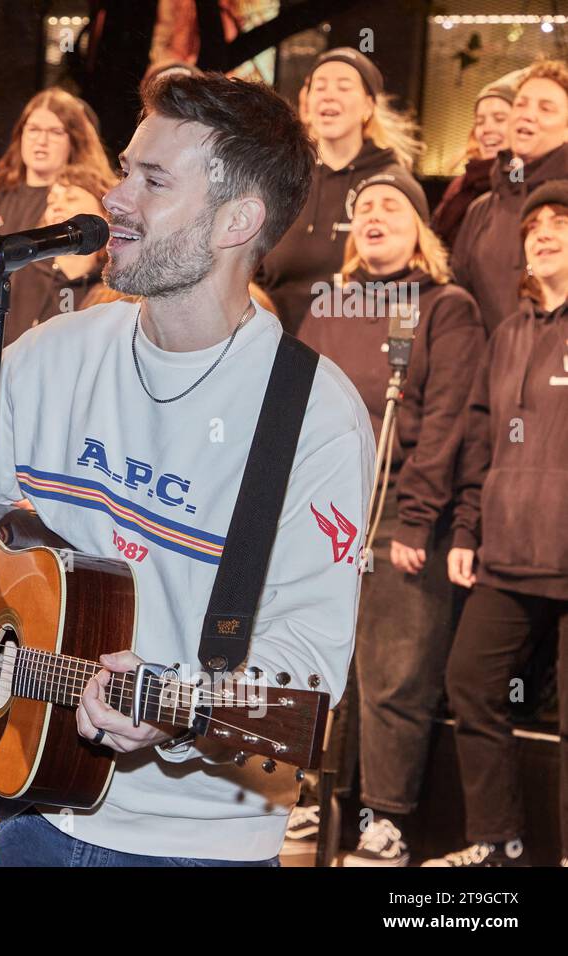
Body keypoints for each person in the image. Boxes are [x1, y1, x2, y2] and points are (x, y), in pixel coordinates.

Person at [0, 72, 375, 866]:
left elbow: (305, 673)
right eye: (126, 169)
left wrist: (175, 714)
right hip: (28, 808)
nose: (116, 198)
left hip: (197, 845)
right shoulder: (57, 352)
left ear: (239, 219)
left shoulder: (313, 416)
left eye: (153, 179)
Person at [293, 169, 485, 866]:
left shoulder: (443, 307)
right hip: (325, 515)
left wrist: (418, 517)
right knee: (319, 665)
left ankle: (385, 820)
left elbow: (447, 420)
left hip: (403, 516)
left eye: (391, 207)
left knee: (393, 676)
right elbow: (293, 407)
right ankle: (314, 802)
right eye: (364, 206)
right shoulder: (330, 304)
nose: (374, 214)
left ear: (420, 231)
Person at [423, 181, 568, 868]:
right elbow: (480, 438)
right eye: (534, 224)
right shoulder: (509, 332)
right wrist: (469, 531)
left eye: (560, 223)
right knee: (472, 682)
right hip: (508, 551)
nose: (542, 232)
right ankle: (496, 844)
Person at [257, 47, 424, 334]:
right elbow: (243, 262)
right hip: (271, 342)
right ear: (307, 102)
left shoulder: (391, 184)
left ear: (369, 106)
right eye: (319, 87)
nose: (329, 95)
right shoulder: (280, 174)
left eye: (344, 87)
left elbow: (413, 276)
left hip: (351, 345)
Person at [450, 59, 568, 334]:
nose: (527, 114)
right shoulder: (481, 210)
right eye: (521, 104)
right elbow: (460, 306)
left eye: (545, 108)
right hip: (491, 372)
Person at [0, 164, 116, 346]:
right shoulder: (22, 275)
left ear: (104, 213)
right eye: (52, 201)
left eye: (70, 198)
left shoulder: (116, 287)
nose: (57, 207)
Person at [0, 88, 113, 238]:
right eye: (34, 129)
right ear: (21, 134)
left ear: (74, 141)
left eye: (55, 132)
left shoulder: (76, 200)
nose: (42, 141)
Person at [430, 72, 521, 249]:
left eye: (499, 119)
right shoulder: (461, 185)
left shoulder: (523, 183)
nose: (486, 129)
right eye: (480, 121)